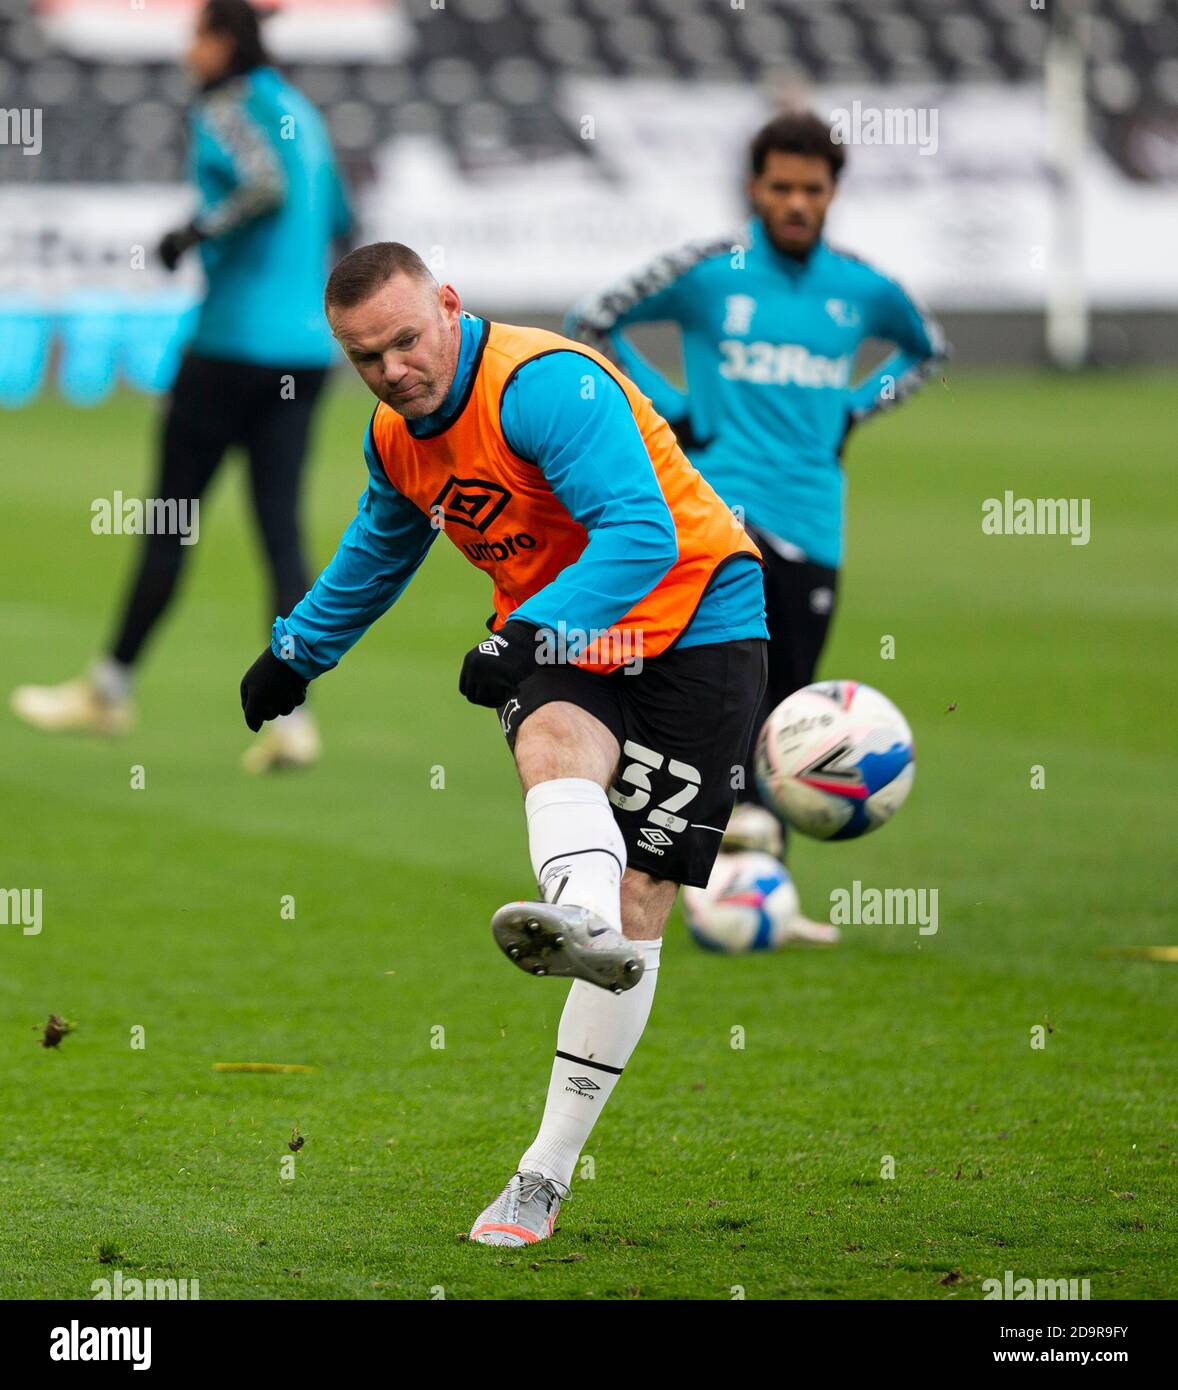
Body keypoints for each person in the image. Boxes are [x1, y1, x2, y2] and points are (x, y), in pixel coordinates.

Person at [238, 241, 769, 1245]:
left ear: (447, 306)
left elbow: (639, 533)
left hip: (697, 618)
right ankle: (582, 924)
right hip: (566, 636)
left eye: (404, 341)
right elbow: (378, 548)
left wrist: (525, 632)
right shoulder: (395, 438)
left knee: (645, 890)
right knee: (553, 744)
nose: (393, 370)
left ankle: (544, 1170)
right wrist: (296, 653)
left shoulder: (544, 385)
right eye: (365, 358)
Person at [565, 111, 947, 920]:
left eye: (812, 188)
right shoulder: (711, 270)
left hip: (815, 520)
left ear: (834, 191)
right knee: (714, 696)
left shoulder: (861, 287)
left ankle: (757, 891)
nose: (797, 203)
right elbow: (596, 317)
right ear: (754, 187)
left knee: (795, 708)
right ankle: (672, 869)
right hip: (720, 522)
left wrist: (854, 408)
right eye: (781, 187)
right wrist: (668, 409)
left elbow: (926, 349)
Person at [12, 0, 351, 773]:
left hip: (230, 346)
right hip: (301, 353)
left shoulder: (227, 104)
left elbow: (261, 185)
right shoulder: (304, 111)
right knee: (280, 532)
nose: (186, 51)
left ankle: (110, 687)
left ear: (223, 41)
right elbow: (341, 216)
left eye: (196, 36)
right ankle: (292, 719)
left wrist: (189, 233)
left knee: (169, 519)